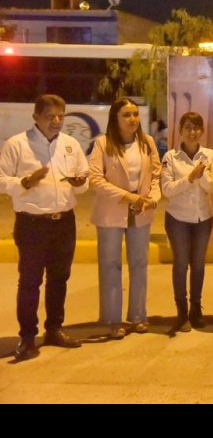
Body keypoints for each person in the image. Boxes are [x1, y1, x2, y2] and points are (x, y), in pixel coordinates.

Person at [0, 94, 89, 360]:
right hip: (32, 224)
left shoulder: (71, 144)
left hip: (64, 222)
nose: (57, 121)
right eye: (50, 116)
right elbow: (1, 179)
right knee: (30, 281)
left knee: (59, 278)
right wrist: (25, 182)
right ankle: (27, 337)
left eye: (61, 116)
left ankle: (54, 329)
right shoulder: (17, 144)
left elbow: (84, 180)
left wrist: (79, 183)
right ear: (36, 117)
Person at [89, 97, 161, 339]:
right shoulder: (103, 143)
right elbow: (95, 178)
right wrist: (127, 196)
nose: (132, 119)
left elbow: (156, 175)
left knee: (139, 264)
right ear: (115, 118)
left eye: (135, 114)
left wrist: (153, 198)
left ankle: (138, 316)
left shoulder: (147, 142)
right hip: (111, 211)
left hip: (141, 211)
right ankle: (112, 319)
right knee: (111, 265)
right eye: (126, 115)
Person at [160, 112, 213, 332]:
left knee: (199, 265)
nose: (192, 132)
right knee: (181, 264)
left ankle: (196, 308)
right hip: (178, 219)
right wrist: (190, 177)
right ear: (180, 131)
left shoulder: (209, 155)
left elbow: (211, 188)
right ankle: (181, 311)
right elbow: (167, 190)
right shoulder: (171, 157)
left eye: (196, 128)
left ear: (202, 131)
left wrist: (201, 176)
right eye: (188, 128)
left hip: (203, 218)